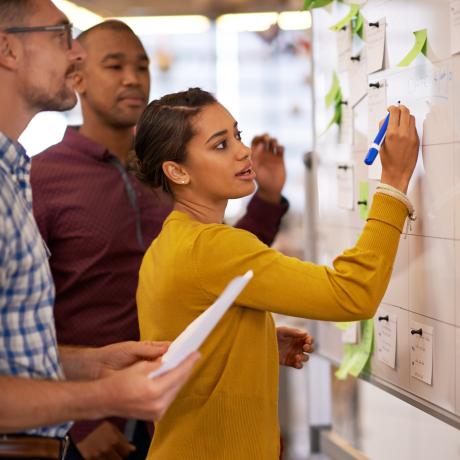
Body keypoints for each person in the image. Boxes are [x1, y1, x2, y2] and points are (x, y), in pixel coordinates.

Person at [30, 19, 313, 459]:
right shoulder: (43, 177)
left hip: (181, 412)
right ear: (76, 77)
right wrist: (79, 421)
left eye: (142, 66)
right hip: (94, 423)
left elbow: (226, 268)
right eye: (115, 65)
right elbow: (23, 315)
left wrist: (268, 198)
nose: (133, 78)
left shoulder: (173, 166)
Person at [134, 88, 420, 459]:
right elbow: (352, 293)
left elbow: (184, 347)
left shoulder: (169, 243)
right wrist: (393, 183)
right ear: (177, 171)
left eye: (237, 135)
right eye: (220, 145)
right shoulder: (213, 246)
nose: (242, 150)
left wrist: (253, 344)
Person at [0, 2, 200, 459]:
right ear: (8, 49)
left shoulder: (12, 175)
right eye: (60, 37)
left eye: (141, 66)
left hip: (150, 412)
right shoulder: (38, 177)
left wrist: (95, 364)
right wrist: (94, 407)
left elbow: (18, 342)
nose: (74, 55)